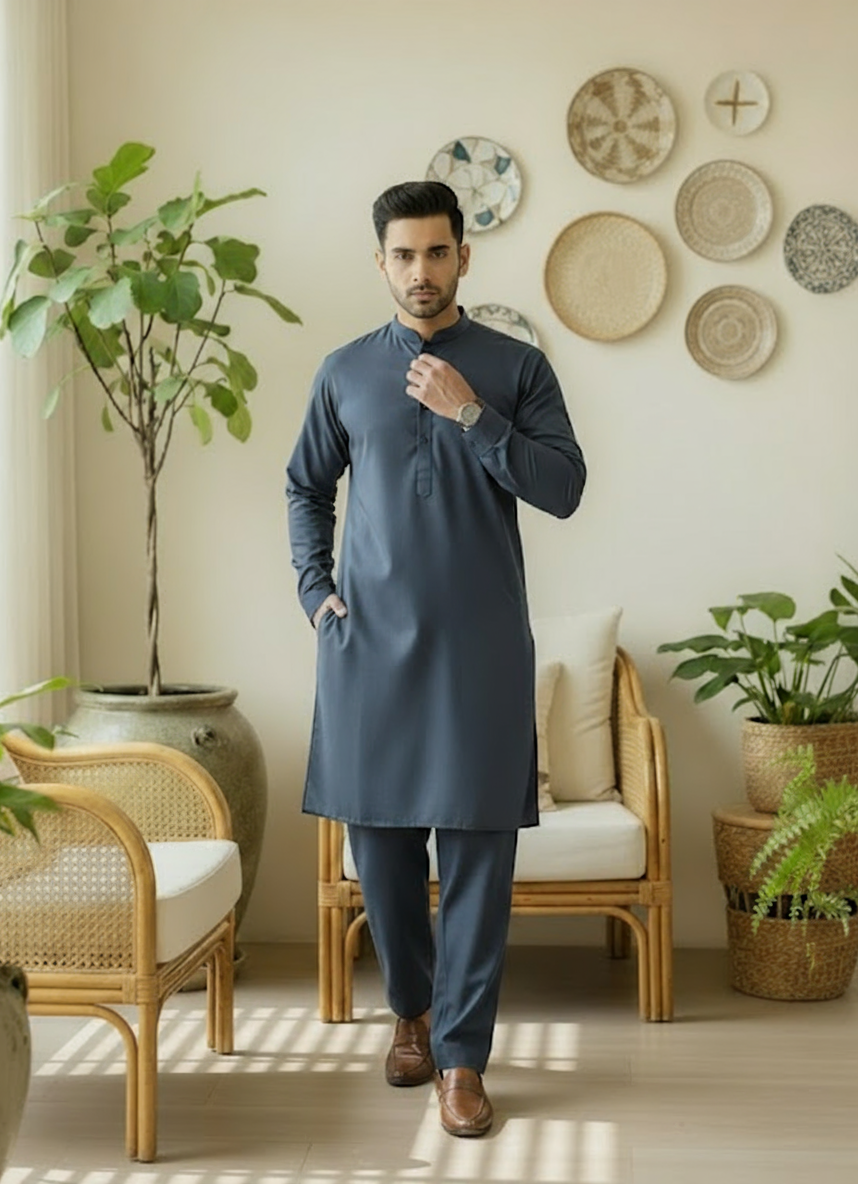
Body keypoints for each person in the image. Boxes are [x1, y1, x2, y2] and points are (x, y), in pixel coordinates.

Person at [286, 180, 586, 1137]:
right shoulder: (342, 371)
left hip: (480, 650)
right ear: (382, 262)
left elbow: (565, 488)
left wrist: (472, 416)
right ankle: (407, 1019)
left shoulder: (514, 367)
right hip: (367, 649)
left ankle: (462, 1060)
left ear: (465, 257)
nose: (422, 271)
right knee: (379, 860)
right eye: (404, 255)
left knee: (476, 865)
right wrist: (313, 589)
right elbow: (303, 486)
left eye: (438, 253)